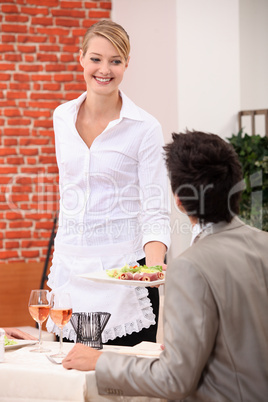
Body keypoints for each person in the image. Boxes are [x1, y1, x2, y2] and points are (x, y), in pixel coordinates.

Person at [62, 130, 268, 401]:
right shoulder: (263, 243)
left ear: (179, 201)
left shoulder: (191, 266)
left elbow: (173, 379)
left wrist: (101, 361)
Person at [46, 20, 170, 346]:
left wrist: (155, 268)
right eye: (97, 59)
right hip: (71, 272)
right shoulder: (61, 117)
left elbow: (156, 207)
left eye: (115, 61)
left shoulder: (145, 128)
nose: (105, 69)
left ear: (126, 65)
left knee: (121, 384)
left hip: (123, 275)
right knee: (69, 377)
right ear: (82, 59)